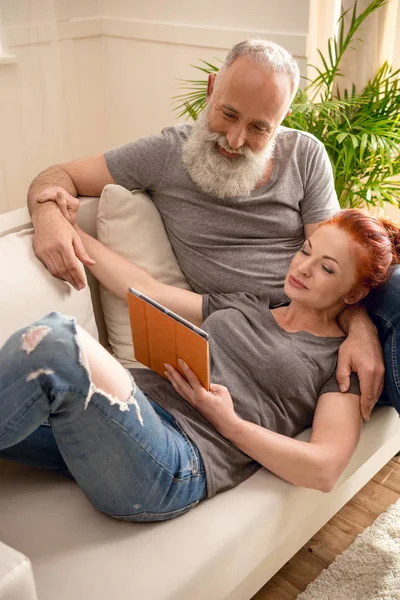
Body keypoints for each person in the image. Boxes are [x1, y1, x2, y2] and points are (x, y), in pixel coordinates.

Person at [27, 39, 389, 419]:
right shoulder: (165, 155)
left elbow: (335, 259)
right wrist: (48, 216)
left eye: (259, 128)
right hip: (250, 330)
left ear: (282, 121)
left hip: (330, 316)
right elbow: (58, 174)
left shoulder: (305, 155)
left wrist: (361, 331)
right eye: (228, 114)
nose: (235, 140)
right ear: (211, 88)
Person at [1, 207, 399, 522]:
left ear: (356, 292)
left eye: (328, 268)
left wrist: (229, 422)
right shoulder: (248, 303)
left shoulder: (340, 362)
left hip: (177, 460)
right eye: (306, 251)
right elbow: (146, 289)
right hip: (129, 421)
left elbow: (324, 469)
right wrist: (71, 231)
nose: (304, 268)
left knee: (56, 341)